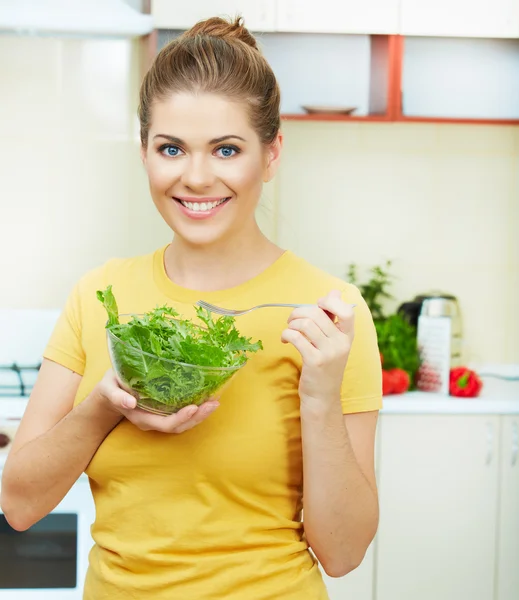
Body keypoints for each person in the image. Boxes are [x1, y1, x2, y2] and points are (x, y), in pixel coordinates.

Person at [0, 15, 382, 600]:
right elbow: (19, 504)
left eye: (226, 149)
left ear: (271, 153)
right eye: (171, 148)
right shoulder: (99, 296)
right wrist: (109, 403)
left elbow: (344, 551)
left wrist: (321, 396)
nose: (196, 177)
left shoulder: (330, 316)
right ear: (145, 151)